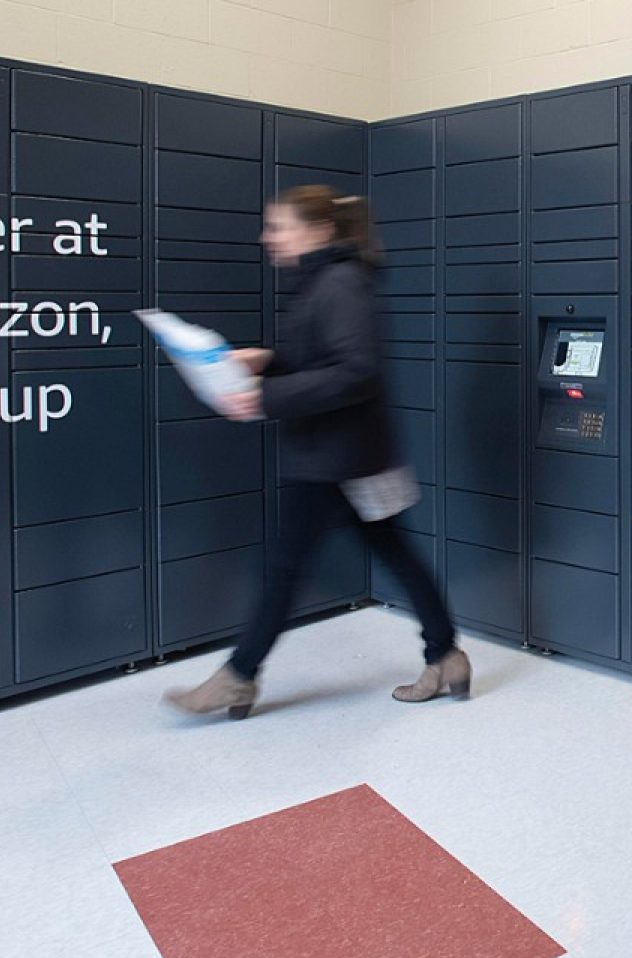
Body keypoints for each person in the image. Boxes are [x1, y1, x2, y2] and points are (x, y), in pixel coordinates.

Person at [166, 186, 470, 720]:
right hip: (351, 455)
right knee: (396, 554)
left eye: (278, 226)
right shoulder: (325, 281)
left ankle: (238, 677)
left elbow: (356, 371)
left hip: (335, 458)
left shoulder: (341, 283)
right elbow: (323, 360)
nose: (268, 237)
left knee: (284, 567)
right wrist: (269, 361)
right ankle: (446, 656)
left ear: (319, 230)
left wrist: (267, 395)